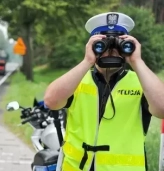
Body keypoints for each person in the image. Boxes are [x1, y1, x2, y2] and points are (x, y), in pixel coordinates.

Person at [44, 12, 164, 171]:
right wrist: (87, 61)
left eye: (117, 45)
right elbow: (51, 101)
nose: (111, 50)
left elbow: (162, 109)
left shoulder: (140, 83)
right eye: (103, 43)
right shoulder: (77, 81)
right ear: (91, 45)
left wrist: (137, 61)